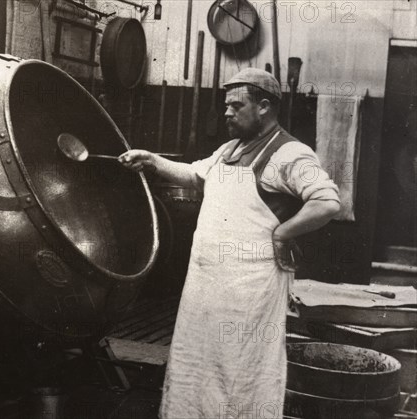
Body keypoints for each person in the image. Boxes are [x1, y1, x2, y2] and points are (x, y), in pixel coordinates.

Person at [118, 68, 340, 419]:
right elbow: (194, 174)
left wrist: (283, 233)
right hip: (205, 288)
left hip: (248, 293)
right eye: (226, 106)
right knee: (197, 367)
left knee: (241, 372)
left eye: (236, 106)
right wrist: (153, 161)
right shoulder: (229, 150)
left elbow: (327, 202)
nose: (226, 113)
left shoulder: (291, 154)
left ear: (264, 107)